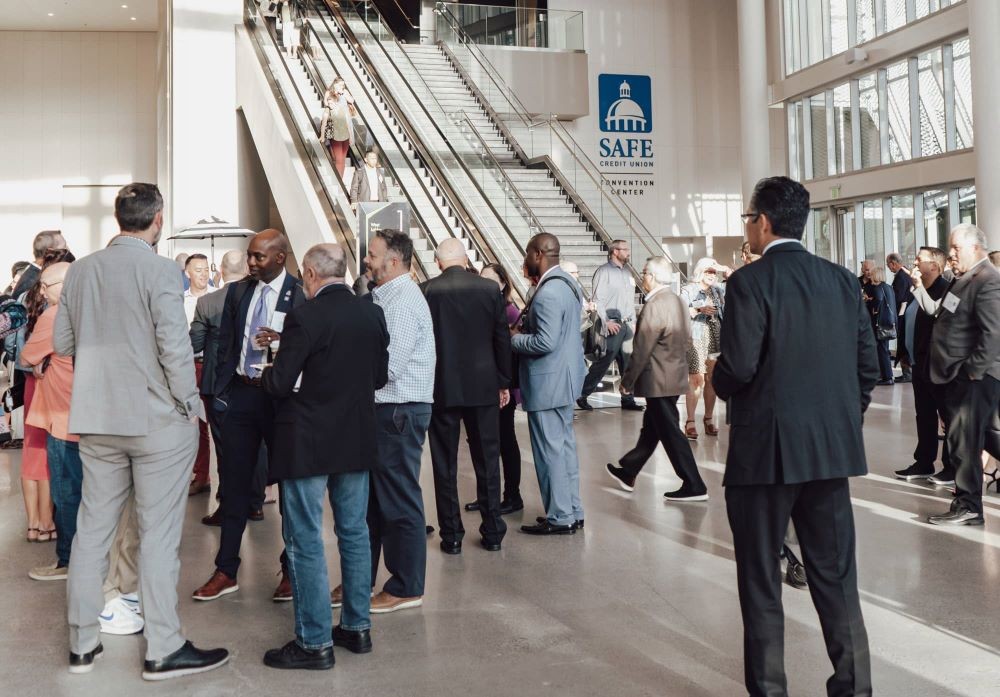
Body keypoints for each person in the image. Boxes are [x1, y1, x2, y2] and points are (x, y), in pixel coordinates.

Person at [54, 183, 228, 679]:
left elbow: (64, 342)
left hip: (97, 419)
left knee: (92, 532)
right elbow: (175, 348)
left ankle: (83, 644)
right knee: (157, 534)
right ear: (157, 220)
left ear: (118, 217)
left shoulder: (82, 269)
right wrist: (189, 404)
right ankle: (163, 648)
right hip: (155, 422)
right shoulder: (160, 271)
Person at [713, 176, 877, 697]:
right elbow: (868, 368)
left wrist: (717, 373)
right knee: (836, 580)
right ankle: (854, 688)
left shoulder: (748, 283)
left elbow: (738, 368)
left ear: (762, 222)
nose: (748, 229)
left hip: (765, 456)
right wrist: (841, 419)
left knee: (762, 582)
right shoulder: (842, 280)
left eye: (747, 220)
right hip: (830, 453)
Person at [261, 243, 389, 670]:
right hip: (355, 437)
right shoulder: (371, 312)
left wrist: (266, 372)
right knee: (354, 532)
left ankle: (314, 641)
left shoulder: (305, 315)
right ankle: (356, 626)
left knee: (305, 539)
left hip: (309, 441)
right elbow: (379, 376)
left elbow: (281, 383)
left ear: (312, 275)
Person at [192, 230, 305, 602]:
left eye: (259, 257)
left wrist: (282, 338)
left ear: (280, 257)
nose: (252, 262)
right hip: (241, 395)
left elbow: (313, 346)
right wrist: (224, 390)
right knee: (235, 485)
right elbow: (226, 343)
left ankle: (291, 571)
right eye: (250, 255)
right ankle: (226, 570)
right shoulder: (240, 292)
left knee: (289, 485)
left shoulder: (300, 293)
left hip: (281, 400)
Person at [357, 229, 435, 613]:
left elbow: (389, 367)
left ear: (393, 261)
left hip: (397, 411)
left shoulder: (401, 301)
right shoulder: (386, 297)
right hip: (388, 411)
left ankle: (406, 586)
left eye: (372, 255)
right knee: (374, 502)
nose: (366, 260)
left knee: (399, 501)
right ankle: (361, 581)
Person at [423, 239, 510, 554]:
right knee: (487, 459)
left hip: (441, 387)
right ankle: (493, 533)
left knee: (443, 462)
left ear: (438, 262)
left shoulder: (427, 290)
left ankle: (452, 535)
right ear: (466, 259)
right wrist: (503, 382)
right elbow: (501, 338)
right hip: (483, 386)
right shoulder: (488, 289)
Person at [915, 224, 1000, 526]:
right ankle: (968, 503)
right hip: (955, 377)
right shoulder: (965, 279)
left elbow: (993, 334)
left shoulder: (987, 279)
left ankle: (968, 506)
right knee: (978, 437)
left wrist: (970, 373)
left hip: (972, 378)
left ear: (975, 248)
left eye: (956, 249)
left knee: (964, 444)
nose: (950, 254)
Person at [605, 256, 707, 502]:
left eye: (644, 273)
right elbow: (686, 339)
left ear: (651, 277)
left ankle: (694, 484)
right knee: (652, 428)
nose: (642, 278)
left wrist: (627, 381)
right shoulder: (677, 301)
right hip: (673, 375)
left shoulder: (655, 305)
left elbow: (642, 348)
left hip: (658, 379)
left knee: (670, 432)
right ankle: (629, 470)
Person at [512, 233, 586, 535]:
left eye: (528, 253)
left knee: (549, 451)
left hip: (548, 383)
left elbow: (545, 341)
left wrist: (514, 339)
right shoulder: (569, 286)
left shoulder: (548, 294)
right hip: (565, 380)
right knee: (565, 448)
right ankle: (572, 509)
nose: (525, 258)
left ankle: (560, 516)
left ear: (539, 254)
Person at [464, 263, 524, 514]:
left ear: (502, 283)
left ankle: (512, 494)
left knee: (505, 440)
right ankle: (487, 494)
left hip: (503, 386)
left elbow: (511, 351)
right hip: (484, 385)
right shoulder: (483, 309)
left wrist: (505, 385)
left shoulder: (510, 311)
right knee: (482, 442)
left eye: (491, 280)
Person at [190, 250, 248, 499]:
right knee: (252, 440)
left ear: (220, 272)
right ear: (246, 270)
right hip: (250, 380)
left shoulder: (207, 302)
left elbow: (194, 345)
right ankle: (254, 497)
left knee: (222, 442)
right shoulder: (256, 297)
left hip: (215, 382)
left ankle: (227, 495)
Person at [894, 247, 954, 483]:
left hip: (937, 365)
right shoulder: (915, 290)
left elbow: (937, 316)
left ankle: (951, 466)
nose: (916, 262)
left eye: (921, 259)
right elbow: (907, 322)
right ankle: (924, 462)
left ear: (935, 266)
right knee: (924, 415)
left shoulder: (945, 290)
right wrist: (904, 353)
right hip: (919, 362)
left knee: (947, 417)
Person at [578, 240, 642, 412]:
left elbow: (629, 301)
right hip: (612, 324)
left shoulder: (628, 272)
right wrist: (606, 322)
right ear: (615, 251)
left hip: (628, 325)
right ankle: (581, 394)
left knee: (628, 363)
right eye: (625, 249)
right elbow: (598, 300)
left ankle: (628, 398)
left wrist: (634, 322)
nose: (628, 252)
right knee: (603, 362)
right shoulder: (603, 272)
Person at [680, 258, 725, 440]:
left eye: (714, 272)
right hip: (696, 337)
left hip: (715, 337)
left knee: (712, 378)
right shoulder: (689, 289)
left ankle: (708, 418)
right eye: (708, 271)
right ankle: (690, 421)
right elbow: (681, 312)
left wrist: (723, 267)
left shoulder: (718, 290)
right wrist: (699, 310)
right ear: (700, 271)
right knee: (696, 378)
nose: (712, 275)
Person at [183, 254, 213, 495]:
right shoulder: (180, 302)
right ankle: (201, 475)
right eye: (198, 270)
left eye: (205, 269)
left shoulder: (219, 297)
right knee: (195, 423)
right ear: (187, 273)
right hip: (189, 366)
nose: (203, 274)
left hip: (213, 366)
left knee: (221, 423)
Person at [13, 230, 67, 299]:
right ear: (51, 252)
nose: (68, 251)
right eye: (64, 248)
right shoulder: (32, 283)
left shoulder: (36, 276)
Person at [320, 78, 356, 178]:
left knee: (342, 159)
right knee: (339, 158)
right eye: (340, 84)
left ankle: (340, 177)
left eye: (343, 85)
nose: (342, 86)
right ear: (335, 84)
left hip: (344, 118)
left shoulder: (344, 92)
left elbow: (352, 100)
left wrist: (343, 93)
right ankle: (338, 178)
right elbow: (326, 104)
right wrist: (334, 96)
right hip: (334, 120)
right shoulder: (329, 92)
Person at [868, 265, 897, 385]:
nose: (870, 277)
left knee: (881, 350)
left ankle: (887, 377)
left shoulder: (878, 287)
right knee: (884, 349)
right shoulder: (889, 287)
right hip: (890, 322)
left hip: (880, 323)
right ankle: (888, 376)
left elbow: (879, 299)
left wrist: (874, 308)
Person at [886, 253, 913, 382]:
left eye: (888, 265)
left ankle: (907, 373)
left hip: (903, 315)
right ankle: (907, 372)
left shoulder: (901, 276)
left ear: (893, 263)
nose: (888, 268)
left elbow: (899, 297)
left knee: (903, 343)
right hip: (906, 313)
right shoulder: (905, 273)